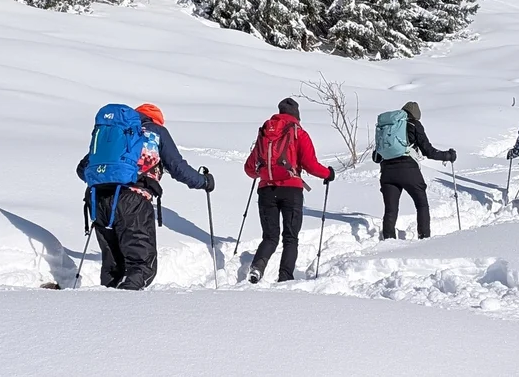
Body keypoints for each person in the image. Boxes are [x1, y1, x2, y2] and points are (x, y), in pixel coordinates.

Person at [77, 103, 212, 290]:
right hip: (133, 202)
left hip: (98, 201)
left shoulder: (115, 135)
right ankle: (128, 312)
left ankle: (107, 312)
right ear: (156, 120)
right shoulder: (156, 132)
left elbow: (82, 169)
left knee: (113, 266)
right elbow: (178, 168)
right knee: (141, 266)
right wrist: (203, 182)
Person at [243, 98, 335, 283]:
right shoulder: (298, 133)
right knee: (290, 238)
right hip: (291, 190)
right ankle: (285, 278)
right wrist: (328, 174)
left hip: (266, 190)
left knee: (270, 236)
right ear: (296, 115)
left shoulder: (265, 134)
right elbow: (311, 165)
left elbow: (249, 168)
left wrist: (261, 174)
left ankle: (257, 268)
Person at [373, 100, 455, 240]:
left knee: (390, 210)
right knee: (421, 204)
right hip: (408, 170)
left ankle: (388, 241)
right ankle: (424, 238)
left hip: (387, 172)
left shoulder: (389, 127)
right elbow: (429, 151)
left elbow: (376, 157)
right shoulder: (414, 124)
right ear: (416, 115)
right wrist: (448, 155)